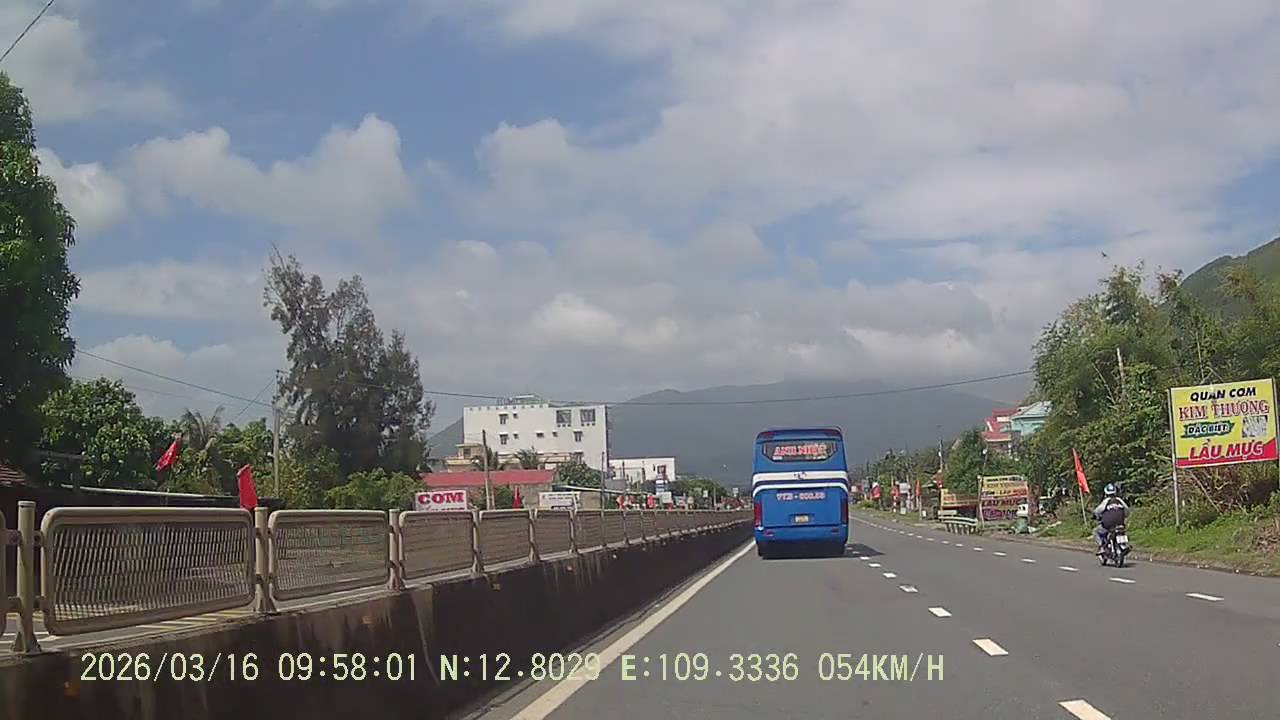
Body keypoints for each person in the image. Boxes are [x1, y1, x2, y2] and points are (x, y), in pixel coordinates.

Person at [1093, 483, 1129, 554]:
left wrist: (1095, 515)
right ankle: (1123, 545)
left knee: (1096, 531)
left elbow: (1098, 510)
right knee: (1122, 531)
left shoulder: (1106, 501)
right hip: (1120, 523)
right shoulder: (1119, 500)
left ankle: (1101, 547)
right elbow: (1127, 510)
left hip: (1108, 524)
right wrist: (1124, 516)